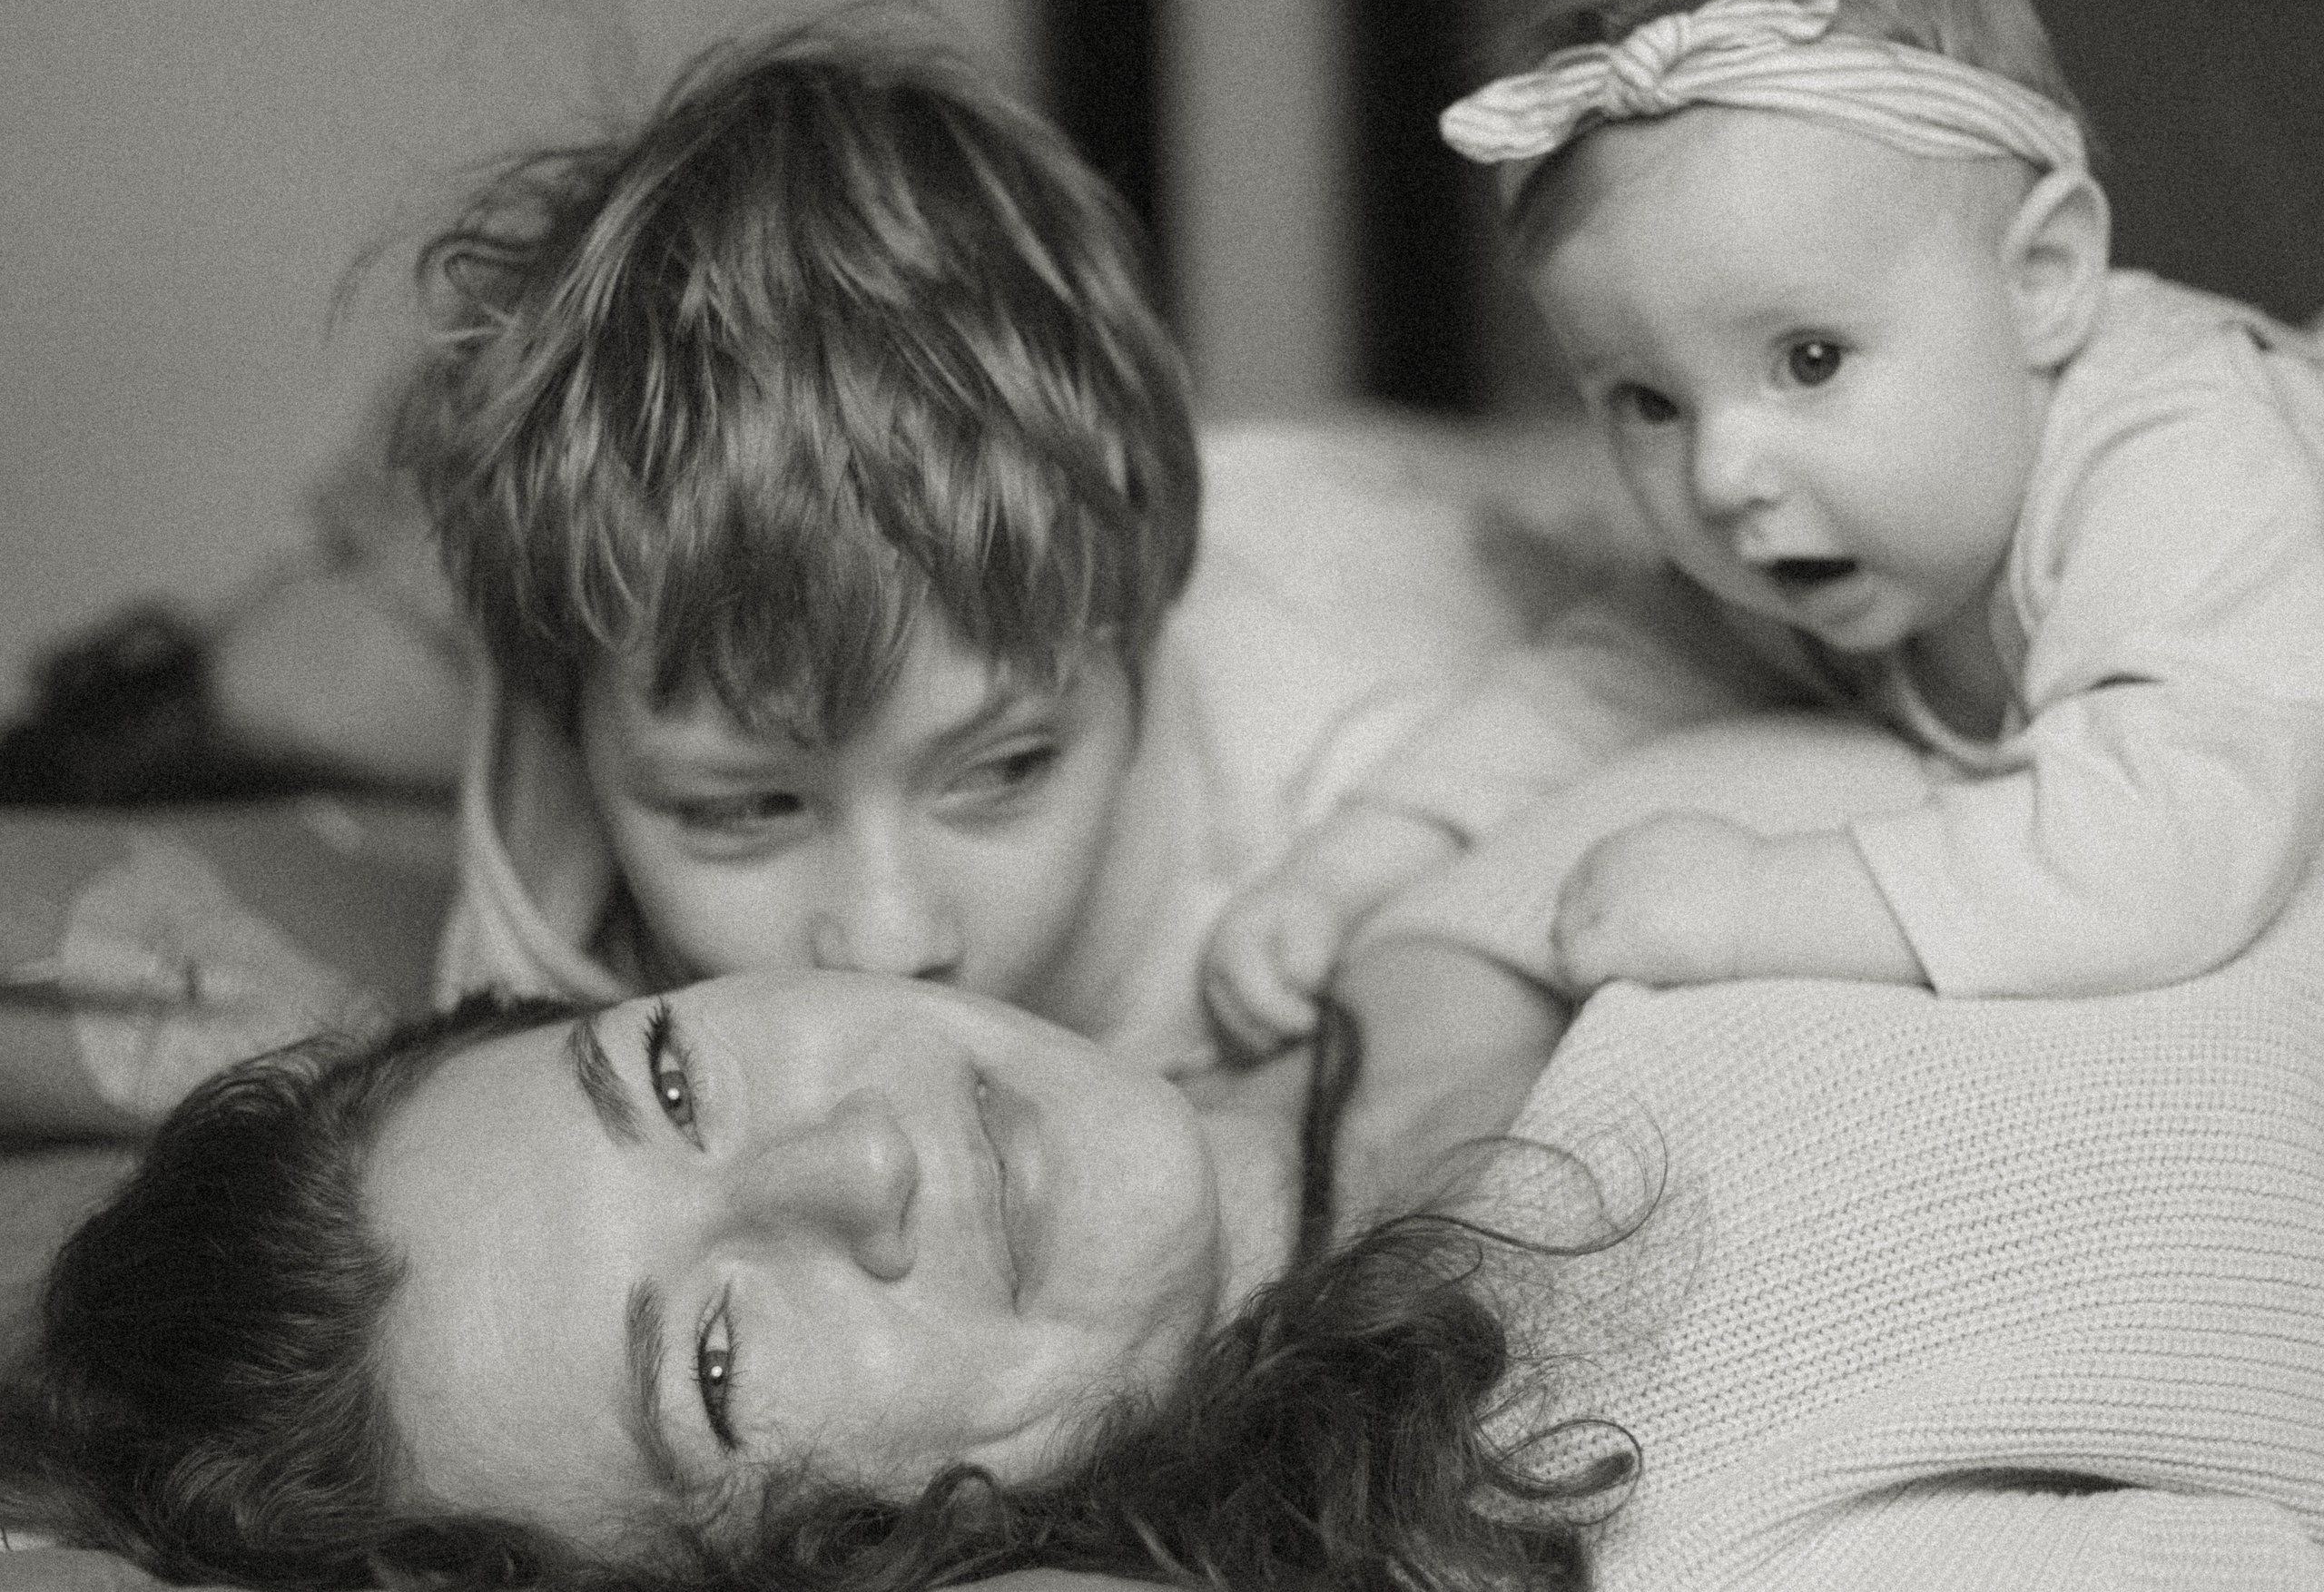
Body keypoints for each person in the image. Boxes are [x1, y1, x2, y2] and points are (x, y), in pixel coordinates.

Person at [5, 713, 2322, 1591]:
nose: (848, 1168)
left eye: (677, 1079)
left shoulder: (1455, 878)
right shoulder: (1613, 1500)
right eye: (713, 1363)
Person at [1203, 0, 2324, 1056]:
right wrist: (1350, 862)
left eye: (1809, 358)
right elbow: (1595, 684)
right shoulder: (1808, 538)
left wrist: (1760, 900)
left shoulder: (2182, 469)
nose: (1723, 473)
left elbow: (2167, 848)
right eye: (1647, 399)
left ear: (2042, 281)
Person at [389, 7, 1539, 1081]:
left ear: (1141, 638)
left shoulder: (1357, 770)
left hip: (1373, 535)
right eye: (745, 810)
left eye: (1005, 770)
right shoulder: (573, 754)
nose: (890, 941)